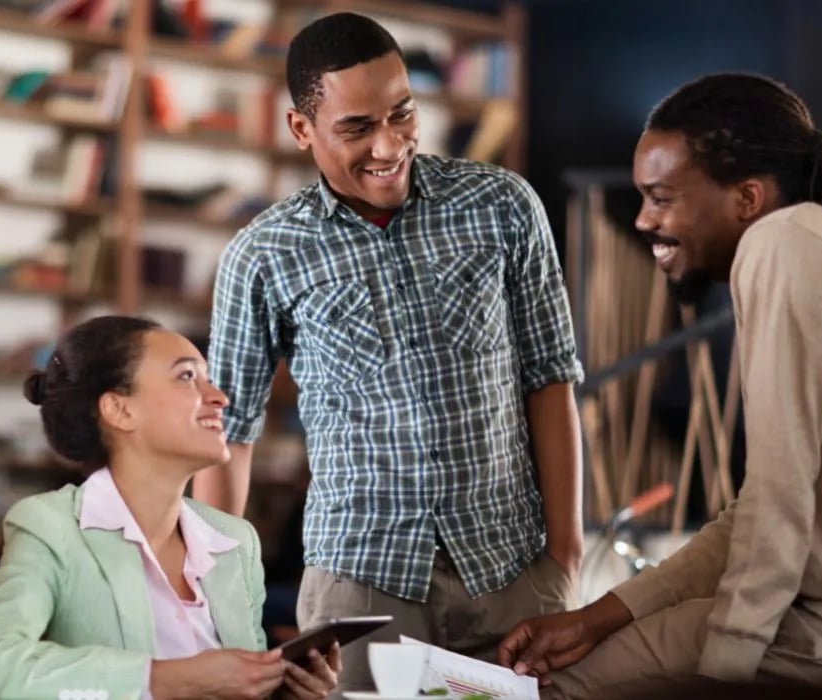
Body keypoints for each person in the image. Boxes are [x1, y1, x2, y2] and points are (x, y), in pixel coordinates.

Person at [197, 11, 584, 691]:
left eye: (401, 114)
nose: (388, 144)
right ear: (301, 129)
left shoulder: (503, 206)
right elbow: (228, 437)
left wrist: (566, 552)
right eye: (356, 128)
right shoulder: (262, 255)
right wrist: (223, 607)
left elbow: (550, 379)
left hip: (512, 575)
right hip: (359, 586)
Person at [498, 73, 822, 698]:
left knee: (545, 687)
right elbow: (757, 513)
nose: (643, 220)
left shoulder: (781, 244)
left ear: (747, 197)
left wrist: (724, 671)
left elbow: (780, 500)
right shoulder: (821, 239)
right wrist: (594, 619)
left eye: (662, 198)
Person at [0, 316, 340, 699]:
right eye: (188, 377)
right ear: (119, 410)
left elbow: (238, 685)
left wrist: (279, 691)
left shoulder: (236, 541)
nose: (219, 397)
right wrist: (170, 678)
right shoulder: (51, 526)